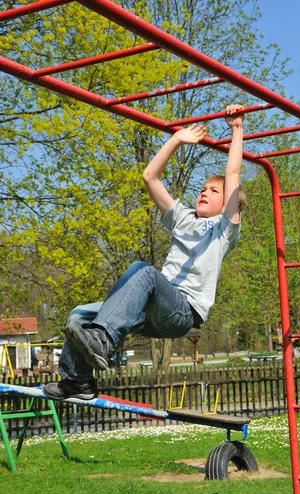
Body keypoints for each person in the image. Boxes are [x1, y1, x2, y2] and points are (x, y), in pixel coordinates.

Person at [44, 104, 246, 401]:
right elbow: (150, 176)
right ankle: (79, 381)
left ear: (229, 202)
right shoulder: (183, 218)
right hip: (152, 311)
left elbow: (233, 171)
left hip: (182, 313)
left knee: (145, 272)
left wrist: (237, 128)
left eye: (214, 191)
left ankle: (103, 340)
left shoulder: (224, 229)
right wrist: (177, 139)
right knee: (79, 316)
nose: (204, 192)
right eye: (202, 188)